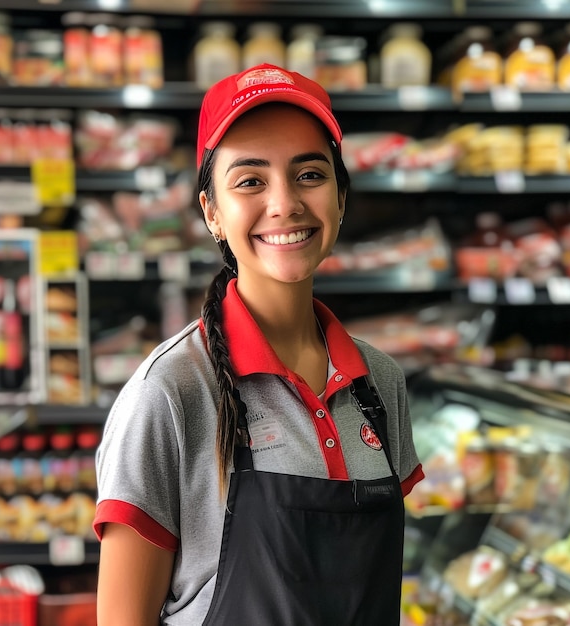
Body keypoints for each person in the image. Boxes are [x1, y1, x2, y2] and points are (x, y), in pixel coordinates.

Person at [94, 63, 424, 626]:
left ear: (341, 198)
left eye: (310, 174)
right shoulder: (170, 393)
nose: (285, 203)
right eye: (250, 180)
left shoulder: (380, 382)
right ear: (212, 212)